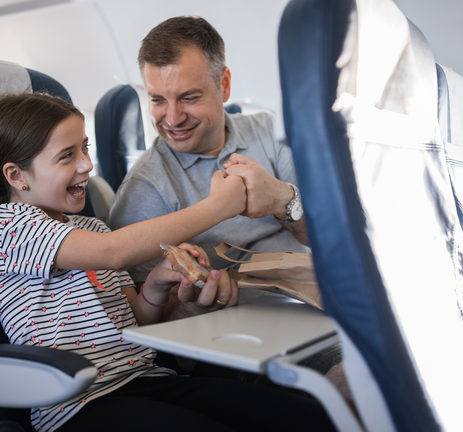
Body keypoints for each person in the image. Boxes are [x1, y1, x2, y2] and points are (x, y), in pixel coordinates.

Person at [0, 92, 334, 432]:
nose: (87, 164)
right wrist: (219, 207)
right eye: (67, 155)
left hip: (144, 378)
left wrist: (157, 283)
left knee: (303, 417)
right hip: (76, 404)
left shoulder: (91, 226)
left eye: (85, 147)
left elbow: (133, 318)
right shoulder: (8, 225)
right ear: (17, 176)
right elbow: (114, 252)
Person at [108, 15, 347, 394]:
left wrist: (283, 201)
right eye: (157, 100)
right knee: (361, 377)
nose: (171, 118)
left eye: (188, 97)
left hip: (326, 302)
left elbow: (334, 239)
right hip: (248, 341)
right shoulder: (143, 192)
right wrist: (193, 306)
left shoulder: (268, 132)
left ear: (224, 85)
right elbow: (152, 328)